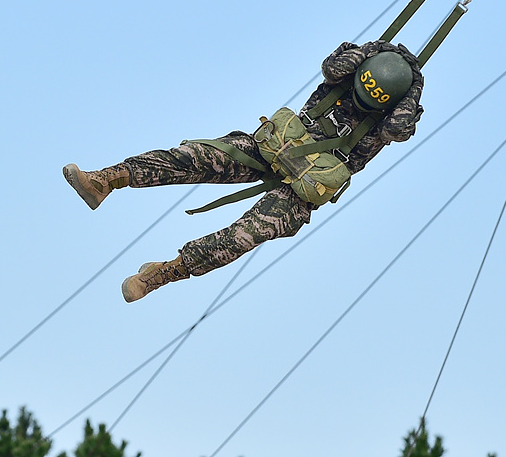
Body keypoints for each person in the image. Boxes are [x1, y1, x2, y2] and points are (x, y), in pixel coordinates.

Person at [63, 40, 424, 303]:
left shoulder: (387, 122)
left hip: (302, 189)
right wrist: (374, 50)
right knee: (196, 156)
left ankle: (163, 273)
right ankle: (107, 179)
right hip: (276, 148)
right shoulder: (343, 77)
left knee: (245, 234)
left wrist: (413, 84)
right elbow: (332, 67)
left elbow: (399, 129)